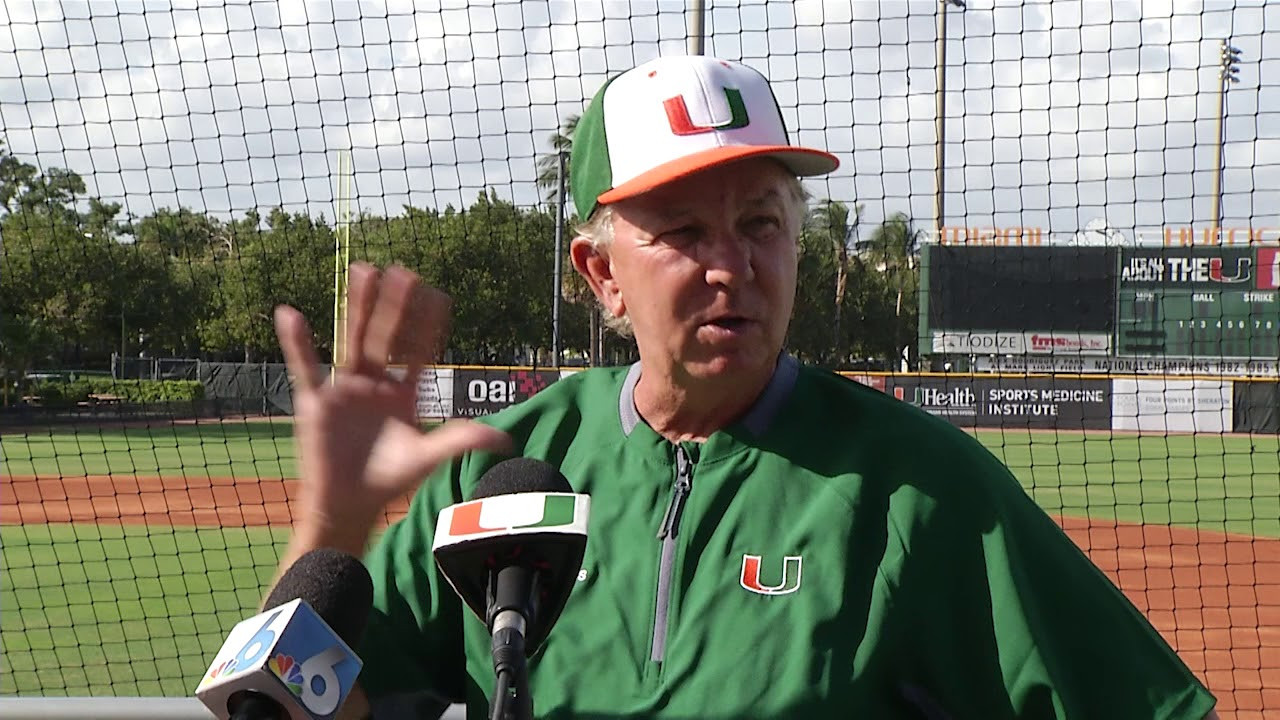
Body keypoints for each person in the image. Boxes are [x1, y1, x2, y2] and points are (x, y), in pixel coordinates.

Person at [270, 55, 1219, 719]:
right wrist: (332, 524)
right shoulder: (506, 470)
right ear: (601, 274)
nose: (733, 265)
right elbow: (300, 708)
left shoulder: (920, 492)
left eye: (761, 222)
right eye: (683, 231)